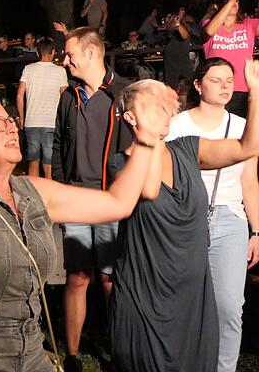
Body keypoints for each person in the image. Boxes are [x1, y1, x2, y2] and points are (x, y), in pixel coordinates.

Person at [0, 89, 174, 371]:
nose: (11, 127)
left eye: (9, 120)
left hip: (29, 344)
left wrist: (145, 140)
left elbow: (118, 204)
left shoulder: (31, 191)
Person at [108, 68, 259, 372]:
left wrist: (255, 93)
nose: (162, 111)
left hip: (192, 294)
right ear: (130, 118)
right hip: (146, 294)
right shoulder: (120, 165)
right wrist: (149, 136)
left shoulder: (189, 148)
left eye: (163, 104)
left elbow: (248, 148)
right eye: (150, 106)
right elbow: (149, 189)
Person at [165, 57, 259, 372]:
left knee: (231, 306)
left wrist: (256, 231)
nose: (224, 86)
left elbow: (250, 181)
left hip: (229, 219)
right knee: (183, 301)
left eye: (229, 80)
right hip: (185, 220)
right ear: (197, 84)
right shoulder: (178, 125)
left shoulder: (243, 127)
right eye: (216, 79)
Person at [53, 27, 132, 372]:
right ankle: (71, 356)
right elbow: (58, 146)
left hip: (111, 200)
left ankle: (120, 352)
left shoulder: (122, 93)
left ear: (90, 53)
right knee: (77, 278)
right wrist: (59, 186)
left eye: (69, 54)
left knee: (110, 280)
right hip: (75, 199)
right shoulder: (67, 97)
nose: (64, 60)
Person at [202, 0, 259, 118]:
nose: (233, 0)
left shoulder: (248, 25)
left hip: (243, 90)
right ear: (216, 6)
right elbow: (209, 32)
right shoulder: (209, 24)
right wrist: (230, 1)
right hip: (215, 91)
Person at [16, 38, 68, 179]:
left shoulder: (29, 69)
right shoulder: (60, 71)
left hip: (32, 121)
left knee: (33, 160)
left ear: (38, 53)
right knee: (48, 162)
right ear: (52, 52)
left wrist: (22, 117)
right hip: (51, 122)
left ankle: (34, 193)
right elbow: (65, 97)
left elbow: (20, 95)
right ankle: (49, 193)